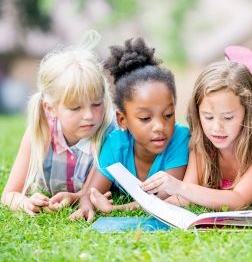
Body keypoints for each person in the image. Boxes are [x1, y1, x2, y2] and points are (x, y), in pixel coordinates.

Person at [140, 47, 252, 210]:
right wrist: (141, 205)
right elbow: (185, 197)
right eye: (208, 116)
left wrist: (179, 187)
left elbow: (239, 199)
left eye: (228, 117)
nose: (216, 127)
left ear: (248, 112)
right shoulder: (202, 142)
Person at [70, 37, 190, 222]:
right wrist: (87, 206)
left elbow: (162, 199)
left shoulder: (180, 138)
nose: (160, 127)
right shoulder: (115, 144)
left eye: (168, 115)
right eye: (145, 118)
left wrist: (115, 208)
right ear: (122, 120)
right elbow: (91, 192)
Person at [1, 31, 114, 216]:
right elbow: (9, 194)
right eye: (76, 108)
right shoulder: (41, 130)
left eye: (96, 104)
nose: (89, 116)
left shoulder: (109, 134)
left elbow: (91, 194)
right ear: (50, 108)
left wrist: (75, 197)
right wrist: (26, 203)